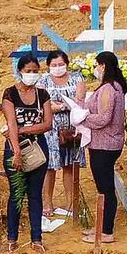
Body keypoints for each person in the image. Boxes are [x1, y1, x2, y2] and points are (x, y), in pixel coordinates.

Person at [1, 54, 54, 253]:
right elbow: (11, 123)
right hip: (16, 147)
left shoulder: (43, 95)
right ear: (20, 71)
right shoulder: (10, 94)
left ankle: (36, 238)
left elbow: (47, 124)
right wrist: (16, 151)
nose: (31, 75)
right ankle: (12, 237)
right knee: (16, 193)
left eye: (35, 71)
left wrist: (24, 130)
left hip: (38, 147)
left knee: (35, 194)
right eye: (28, 71)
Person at [79, 51, 127, 245]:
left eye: (98, 65)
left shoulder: (109, 88)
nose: (96, 69)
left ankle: (107, 230)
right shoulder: (116, 87)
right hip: (106, 143)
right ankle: (102, 226)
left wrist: (82, 117)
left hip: (105, 144)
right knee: (104, 187)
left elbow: (104, 118)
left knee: (105, 188)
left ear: (104, 66)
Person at [42, 49, 86, 226]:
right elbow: (44, 105)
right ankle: (47, 202)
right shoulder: (43, 81)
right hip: (50, 128)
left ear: (67, 64)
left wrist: (59, 105)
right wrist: (64, 106)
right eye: (54, 65)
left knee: (70, 165)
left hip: (72, 127)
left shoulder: (77, 79)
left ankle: (70, 203)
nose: (58, 68)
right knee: (50, 167)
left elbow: (79, 101)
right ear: (48, 66)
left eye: (61, 64)